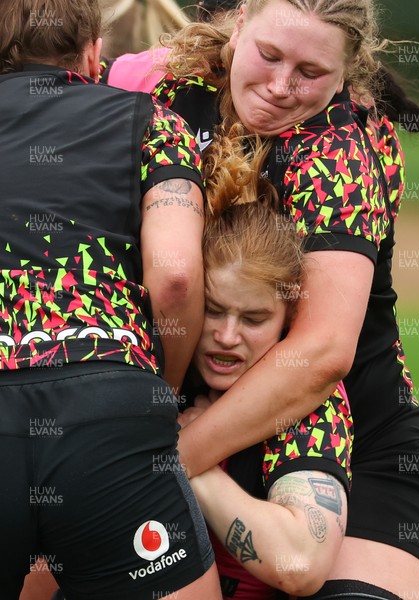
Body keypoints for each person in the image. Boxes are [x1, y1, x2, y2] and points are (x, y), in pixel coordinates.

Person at [99, 1, 419, 598]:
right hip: (177, 424)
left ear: (348, 69)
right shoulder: (157, 86)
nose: (281, 87)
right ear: (242, 19)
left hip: (352, 442)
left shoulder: (343, 148)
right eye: (269, 55)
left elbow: (323, 351)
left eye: (310, 73)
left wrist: (165, 456)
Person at [0, 1, 221, 599]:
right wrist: (161, 389)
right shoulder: (150, 120)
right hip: (106, 412)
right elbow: (174, 276)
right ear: (94, 51)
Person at [183, 130, 352, 598]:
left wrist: (196, 466)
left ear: (289, 318)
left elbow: (300, 562)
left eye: (254, 318)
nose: (227, 335)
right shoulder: (158, 372)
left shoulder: (307, 400)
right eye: (213, 309)